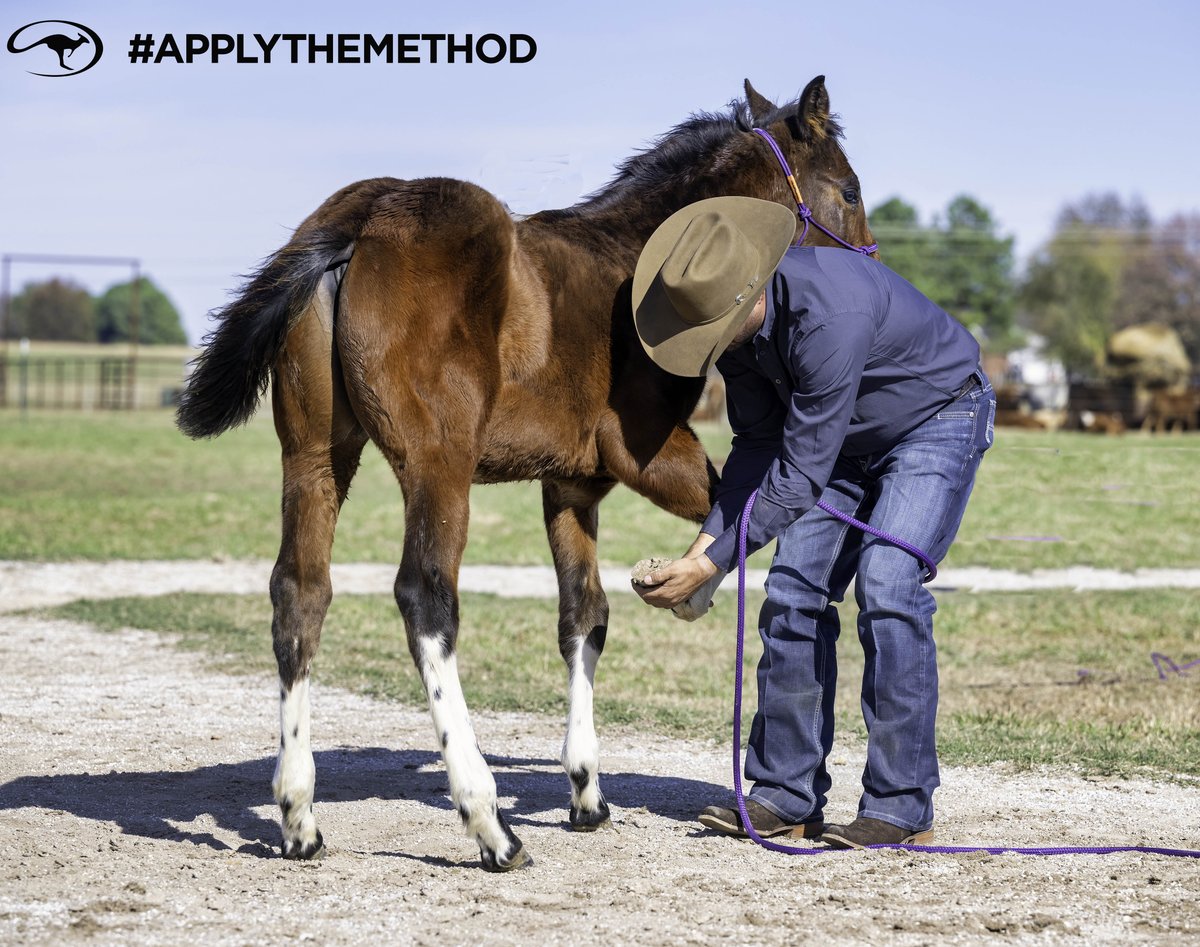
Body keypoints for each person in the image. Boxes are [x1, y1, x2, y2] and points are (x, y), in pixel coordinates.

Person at [630, 196, 994, 848]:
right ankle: (784, 795)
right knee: (794, 587)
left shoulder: (831, 316)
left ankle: (902, 806)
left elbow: (797, 476)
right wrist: (701, 552)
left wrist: (711, 568)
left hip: (937, 417)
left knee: (887, 584)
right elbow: (756, 452)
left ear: (747, 297)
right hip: (838, 443)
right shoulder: (738, 341)